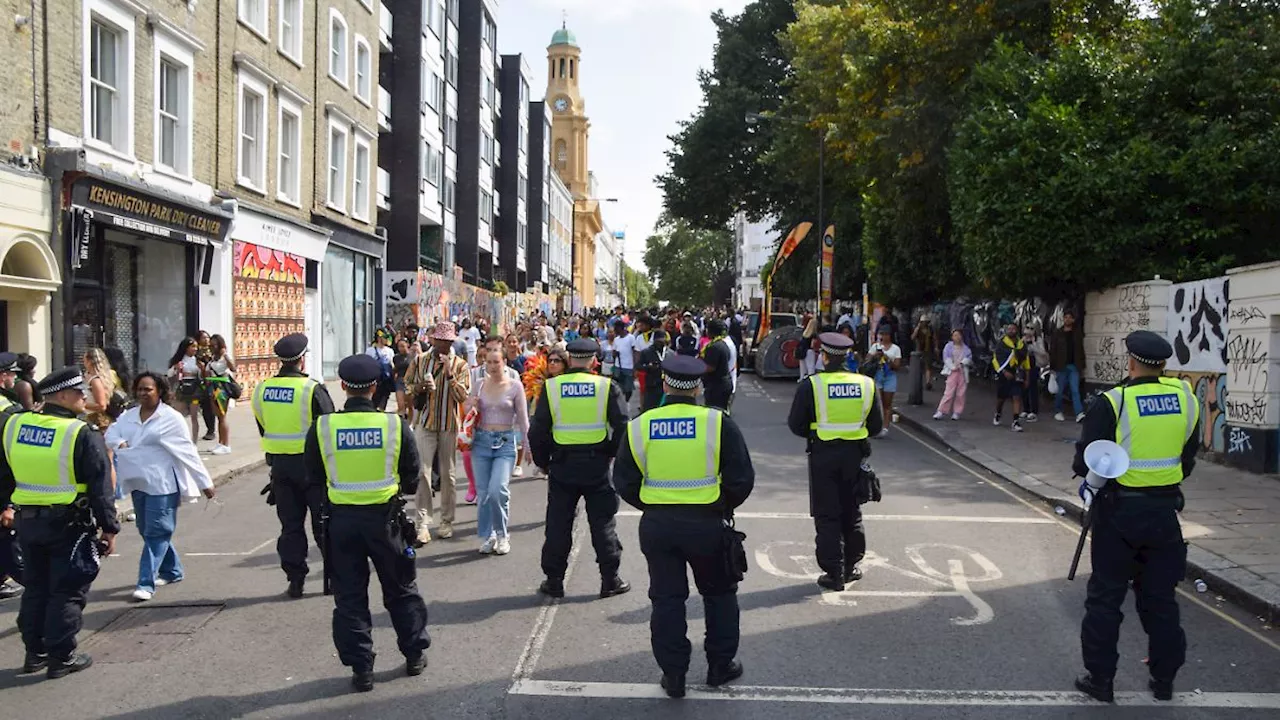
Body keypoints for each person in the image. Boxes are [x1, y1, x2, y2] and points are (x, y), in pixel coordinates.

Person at [612, 354, 755, 698]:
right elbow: (742, 479)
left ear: (664, 384)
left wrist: (653, 504)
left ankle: (674, 674)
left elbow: (624, 481)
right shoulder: (718, 423)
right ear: (699, 387)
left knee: (667, 598)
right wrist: (721, 504)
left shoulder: (641, 425)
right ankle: (721, 666)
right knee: (719, 594)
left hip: (659, 525)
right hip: (707, 523)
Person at [1070, 330, 1199, 703]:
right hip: (1164, 513)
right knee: (1160, 600)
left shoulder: (1115, 401)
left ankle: (1101, 680)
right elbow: (1188, 456)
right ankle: (1163, 682)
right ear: (1163, 364)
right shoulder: (1186, 398)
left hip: (1118, 513)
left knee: (1105, 598)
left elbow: (1085, 460)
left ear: (1130, 360)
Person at [304, 354, 429, 693]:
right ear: (375, 387)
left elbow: (313, 478)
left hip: (341, 523)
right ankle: (414, 654)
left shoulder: (323, 427)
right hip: (385, 521)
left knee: (349, 598)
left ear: (343, 386)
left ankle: (362, 669)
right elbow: (411, 477)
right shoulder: (394, 425)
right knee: (401, 590)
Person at [0, 366, 119, 678]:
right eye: (80, 392)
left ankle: (34, 653)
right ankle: (61, 657)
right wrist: (109, 528)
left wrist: (4, 506)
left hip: (27, 524)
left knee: (36, 588)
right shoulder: (80, 433)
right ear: (63, 396)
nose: (85, 397)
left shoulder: (16, 425)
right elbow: (100, 487)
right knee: (66, 590)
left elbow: (4, 472)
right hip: (68, 525)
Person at [528, 338, 630, 600]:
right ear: (594, 361)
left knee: (558, 524)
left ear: (570, 359)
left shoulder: (552, 387)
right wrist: (609, 453)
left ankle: (554, 581)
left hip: (562, 464)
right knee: (603, 523)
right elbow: (622, 427)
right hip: (596, 464)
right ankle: (610, 579)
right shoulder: (607, 386)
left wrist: (543, 462)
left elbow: (537, 430)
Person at [106, 372, 215, 602]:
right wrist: (120, 442)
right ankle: (172, 570)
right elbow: (111, 432)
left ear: (160, 391)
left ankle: (145, 583)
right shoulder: (129, 416)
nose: (143, 393)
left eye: (148, 389)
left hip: (163, 484)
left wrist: (205, 482)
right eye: (140, 389)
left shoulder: (171, 418)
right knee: (147, 531)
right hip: (138, 482)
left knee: (157, 531)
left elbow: (188, 452)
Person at [788, 333, 883, 591]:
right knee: (852, 512)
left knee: (827, 514)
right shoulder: (866, 384)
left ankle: (834, 572)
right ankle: (851, 566)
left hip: (823, 455)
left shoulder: (811, 385)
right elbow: (876, 426)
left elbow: (796, 425)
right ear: (848, 356)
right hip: (855, 456)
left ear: (824, 356)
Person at [251, 333, 336, 598]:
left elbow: (263, 426)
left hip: (281, 468)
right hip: (312, 468)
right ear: (301, 359)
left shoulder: (261, 389)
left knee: (290, 527)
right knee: (324, 524)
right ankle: (332, 577)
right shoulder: (312, 388)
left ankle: (295, 579)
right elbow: (328, 426)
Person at [407, 321, 470, 544]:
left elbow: (463, 396)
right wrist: (420, 388)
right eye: (440, 340)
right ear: (433, 339)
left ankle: (447, 520)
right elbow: (407, 385)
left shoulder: (460, 365)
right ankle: (422, 521)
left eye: (448, 341)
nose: (443, 345)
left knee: (448, 475)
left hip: (448, 424)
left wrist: (450, 374)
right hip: (425, 422)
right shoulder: (420, 361)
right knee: (423, 472)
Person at [465, 348, 531, 555]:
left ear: (504, 363)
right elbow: (467, 412)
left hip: (505, 442)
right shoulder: (479, 385)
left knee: (498, 490)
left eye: (496, 362)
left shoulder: (515, 386)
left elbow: (522, 419)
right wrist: (471, 405)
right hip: (481, 442)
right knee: (483, 493)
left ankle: (502, 534)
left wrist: (528, 446)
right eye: (488, 363)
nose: (492, 367)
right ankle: (489, 535)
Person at [0, 353, 25, 601]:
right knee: (8, 537)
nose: (14, 379)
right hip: (5, 481)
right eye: (12, 374)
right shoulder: (9, 410)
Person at [992, 323, 1029, 433]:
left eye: (1014, 329)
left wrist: (1027, 377)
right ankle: (998, 413)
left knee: (1016, 396)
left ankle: (1015, 421)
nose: (1011, 330)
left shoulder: (1021, 345)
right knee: (1001, 398)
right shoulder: (1001, 343)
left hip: (1017, 374)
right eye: (1009, 329)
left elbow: (1026, 361)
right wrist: (1003, 371)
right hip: (1004, 373)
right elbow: (996, 359)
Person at [1052, 310, 1087, 423]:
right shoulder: (1058, 333)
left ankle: (1079, 413)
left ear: (1073, 319)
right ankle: (1058, 411)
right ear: (1063, 319)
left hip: (1074, 365)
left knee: (1074, 390)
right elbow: (1053, 350)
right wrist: (1053, 366)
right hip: (1061, 365)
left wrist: (1082, 364)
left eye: (1069, 317)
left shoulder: (1077, 333)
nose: (1067, 319)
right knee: (1060, 390)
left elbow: (1080, 349)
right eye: (1065, 317)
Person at [169, 338, 205, 442]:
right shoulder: (179, 360)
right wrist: (176, 368)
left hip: (194, 391)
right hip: (182, 389)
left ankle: (194, 441)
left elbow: (203, 377)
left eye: (196, 347)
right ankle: (179, 438)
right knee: (179, 416)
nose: (195, 349)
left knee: (194, 416)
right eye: (193, 346)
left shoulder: (198, 360)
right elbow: (170, 373)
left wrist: (202, 369)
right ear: (186, 348)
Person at [205, 334, 236, 455]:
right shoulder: (213, 357)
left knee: (222, 416)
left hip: (222, 388)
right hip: (213, 387)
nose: (211, 347)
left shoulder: (224, 357)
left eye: (214, 345)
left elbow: (233, 368)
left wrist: (225, 355)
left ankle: (226, 444)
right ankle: (220, 442)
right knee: (218, 416)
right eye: (210, 345)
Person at [867, 328, 901, 437]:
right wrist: (874, 356)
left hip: (889, 376)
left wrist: (887, 358)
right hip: (878, 375)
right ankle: (877, 425)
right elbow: (867, 360)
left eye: (886, 334)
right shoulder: (875, 346)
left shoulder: (896, 349)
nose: (883, 337)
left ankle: (885, 427)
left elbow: (897, 366)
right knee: (878, 402)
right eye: (882, 334)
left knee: (887, 403)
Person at [934, 329, 972, 421]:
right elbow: (946, 357)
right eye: (955, 335)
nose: (957, 337)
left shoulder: (966, 349)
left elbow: (969, 358)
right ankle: (941, 411)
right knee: (948, 392)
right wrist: (952, 366)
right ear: (952, 337)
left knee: (961, 393)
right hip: (952, 371)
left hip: (962, 372)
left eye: (958, 335)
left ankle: (957, 412)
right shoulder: (948, 346)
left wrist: (963, 363)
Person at [700, 319, 736, 412]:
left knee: (714, 413)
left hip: (717, 387)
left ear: (711, 331)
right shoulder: (723, 344)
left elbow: (710, 368)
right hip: (724, 383)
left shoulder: (714, 347)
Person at [637, 330, 671, 412]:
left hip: (667, 387)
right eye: (658, 341)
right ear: (654, 340)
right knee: (650, 410)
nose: (660, 343)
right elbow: (638, 366)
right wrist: (648, 367)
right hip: (652, 386)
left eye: (662, 341)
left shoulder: (670, 353)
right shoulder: (646, 352)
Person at [1023, 328, 1048, 423]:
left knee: (1033, 387)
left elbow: (1042, 352)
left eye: (1031, 329)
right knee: (1023, 387)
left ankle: (1034, 410)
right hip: (1024, 366)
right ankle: (1026, 409)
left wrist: (1033, 344)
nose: (1028, 333)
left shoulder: (1038, 340)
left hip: (1034, 366)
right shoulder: (1023, 340)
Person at [611, 321, 637, 405]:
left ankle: (627, 402)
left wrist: (634, 367)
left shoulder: (631, 338)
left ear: (621, 328)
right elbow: (614, 352)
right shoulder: (616, 339)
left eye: (616, 329)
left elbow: (634, 353)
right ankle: (621, 402)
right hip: (618, 366)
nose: (615, 330)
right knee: (618, 386)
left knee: (628, 388)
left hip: (628, 366)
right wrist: (615, 354)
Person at [911, 317, 936, 391]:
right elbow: (913, 337)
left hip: (928, 349)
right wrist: (917, 328)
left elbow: (934, 338)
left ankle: (928, 382)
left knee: (928, 366)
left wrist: (936, 347)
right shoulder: (918, 329)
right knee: (919, 367)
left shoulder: (930, 329)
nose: (924, 323)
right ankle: (917, 382)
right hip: (919, 349)